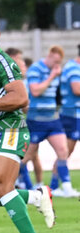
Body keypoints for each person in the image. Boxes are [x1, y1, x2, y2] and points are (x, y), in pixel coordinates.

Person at [0, 16, 55, 231]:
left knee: (2, 185)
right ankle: (37, 196)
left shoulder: (3, 61)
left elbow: (21, 98)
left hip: (12, 129)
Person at [23, 45, 79, 198]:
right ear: (51, 54)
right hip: (36, 120)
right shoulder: (35, 69)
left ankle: (60, 187)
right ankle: (21, 182)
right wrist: (52, 76)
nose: (57, 65)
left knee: (63, 151)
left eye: (59, 63)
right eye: (56, 61)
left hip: (52, 119)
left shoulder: (55, 71)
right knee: (27, 156)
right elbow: (35, 91)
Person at [5, 48, 43, 190]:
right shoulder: (15, 82)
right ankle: (29, 184)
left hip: (27, 123)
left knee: (28, 154)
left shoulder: (24, 82)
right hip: (20, 124)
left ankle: (29, 184)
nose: (24, 68)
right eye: (22, 65)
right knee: (27, 155)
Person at [58, 44, 80, 197]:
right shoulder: (73, 68)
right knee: (65, 151)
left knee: (65, 151)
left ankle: (56, 185)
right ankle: (57, 186)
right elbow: (77, 89)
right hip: (73, 114)